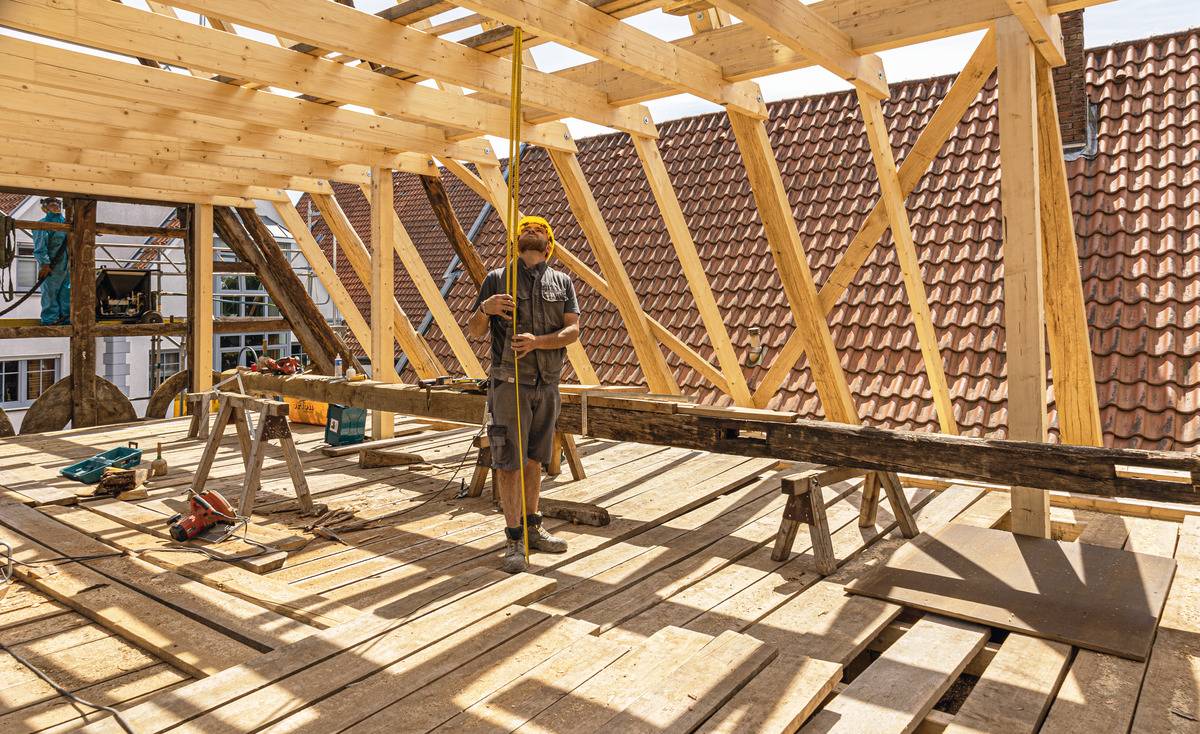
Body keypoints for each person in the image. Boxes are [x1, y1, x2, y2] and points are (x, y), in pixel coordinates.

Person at [468, 215, 581, 573]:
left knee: (535, 460)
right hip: (509, 384)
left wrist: (537, 343)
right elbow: (474, 332)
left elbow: (572, 331)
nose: (532, 234)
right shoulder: (497, 280)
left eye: (539, 231)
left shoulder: (562, 282)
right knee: (508, 462)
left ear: (549, 244)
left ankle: (534, 530)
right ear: (517, 243)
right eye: (526, 231)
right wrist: (485, 309)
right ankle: (514, 538)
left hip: (546, 385)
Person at [32, 197, 70, 326]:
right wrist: (45, 264)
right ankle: (50, 320)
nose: (55, 207)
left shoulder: (67, 223)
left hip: (67, 266)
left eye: (57, 204)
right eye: (52, 205)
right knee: (50, 293)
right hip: (51, 267)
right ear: (45, 208)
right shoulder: (42, 225)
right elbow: (40, 247)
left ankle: (66, 318)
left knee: (66, 293)